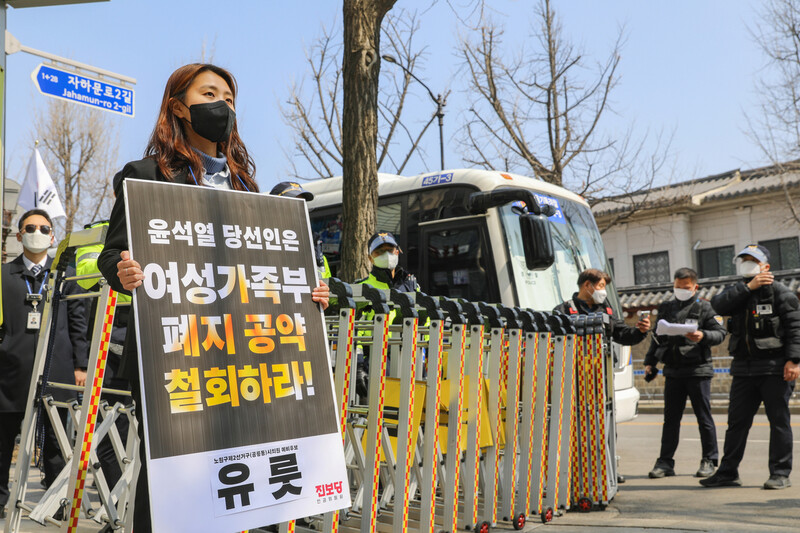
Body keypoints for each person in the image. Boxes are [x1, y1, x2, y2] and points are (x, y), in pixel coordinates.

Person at [96, 63, 330, 532]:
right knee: (175, 477)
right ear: (179, 107)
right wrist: (123, 270)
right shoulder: (144, 176)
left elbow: (267, 273)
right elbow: (109, 256)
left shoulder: (249, 187)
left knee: (245, 473)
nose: (222, 104)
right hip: (176, 355)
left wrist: (309, 295)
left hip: (245, 356)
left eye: (229, 96)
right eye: (209, 93)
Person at [0, 209, 90, 519]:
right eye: (30, 227)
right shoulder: (2, 275)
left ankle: (56, 502)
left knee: (55, 441)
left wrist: (81, 365)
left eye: (44, 228)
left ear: (53, 236)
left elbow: (79, 322)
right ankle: (0, 501)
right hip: (10, 373)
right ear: (19, 234)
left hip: (57, 369)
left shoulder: (66, 274)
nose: (37, 232)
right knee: (2, 443)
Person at [701, 245, 800, 490]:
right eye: (744, 259)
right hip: (743, 369)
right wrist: (748, 287)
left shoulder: (781, 293)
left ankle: (780, 473)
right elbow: (717, 306)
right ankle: (728, 473)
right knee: (736, 423)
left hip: (775, 368)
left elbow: (796, 329)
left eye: (753, 260)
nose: (747, 263)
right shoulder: (737, 292)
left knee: (779, 422)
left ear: (766, 266)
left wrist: (794, 361)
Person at [643, 268, 726, 479]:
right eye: (678, 287)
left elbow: (720, 333)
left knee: (703, 418)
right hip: (673, 371)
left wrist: (703, 335)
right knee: (670, 420)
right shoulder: (667, 308)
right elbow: (657, 336)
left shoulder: (707, 308)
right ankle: (665, 462)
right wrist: (650, 362)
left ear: (695, 287)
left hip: (698, 370)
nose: (681, 290)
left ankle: (709, 460)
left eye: (686, 287)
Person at [75, 203, 132, 498]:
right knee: (111, 424)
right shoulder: (95, 232)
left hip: (148, 334)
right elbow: (85, 275)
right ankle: (114, 505)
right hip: (109, 339)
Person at [553, 268, 650, 344]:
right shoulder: (563, 311)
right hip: (575, 366)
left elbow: (620, 334)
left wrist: (640, 331)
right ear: (587, 285)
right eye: (601, 285)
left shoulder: (606, 310)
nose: (604, 291)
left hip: (603, 365)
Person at [269, 181, 331, 279]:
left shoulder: (316, 249)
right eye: (292, 205)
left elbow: (327, 288)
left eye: (302, 205)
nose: (298, 211)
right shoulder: (263, 246)